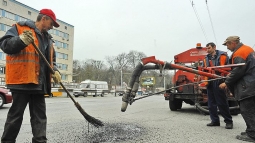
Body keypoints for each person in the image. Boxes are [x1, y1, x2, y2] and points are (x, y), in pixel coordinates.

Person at [0, 9, 61, 143]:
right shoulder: (20, 28)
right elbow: (4, 45)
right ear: (44, 18)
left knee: (40, 117)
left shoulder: (49, 40)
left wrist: (55, 70)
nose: (52, 27)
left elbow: (51, 61)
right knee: (15, 117)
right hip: (22, 82)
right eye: (51, 23)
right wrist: (20, 40)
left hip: (39, 84)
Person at [219, 36, 255, 142]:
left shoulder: (239, 53)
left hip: (247, 85)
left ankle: (252, 134)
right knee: (252, 109)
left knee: (247, 110)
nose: (227, 47)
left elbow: (239, 71)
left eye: (228, 44)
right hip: (252, 83)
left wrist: (226, 82)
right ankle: (251, 129)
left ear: (233, 43)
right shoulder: (248, 49)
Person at [202, 42, 233, 129]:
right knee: (211, 103)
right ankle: (215, 121)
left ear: (214, 47)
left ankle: (228, 121)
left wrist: (227, 81)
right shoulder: (206, 58)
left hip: (219, 80)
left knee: (221, 102)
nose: (207, 50)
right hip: (210, 81)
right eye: (206, 48)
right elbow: (203, 69)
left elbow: (230, 68)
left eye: (209, 48)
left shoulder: (223, 56)